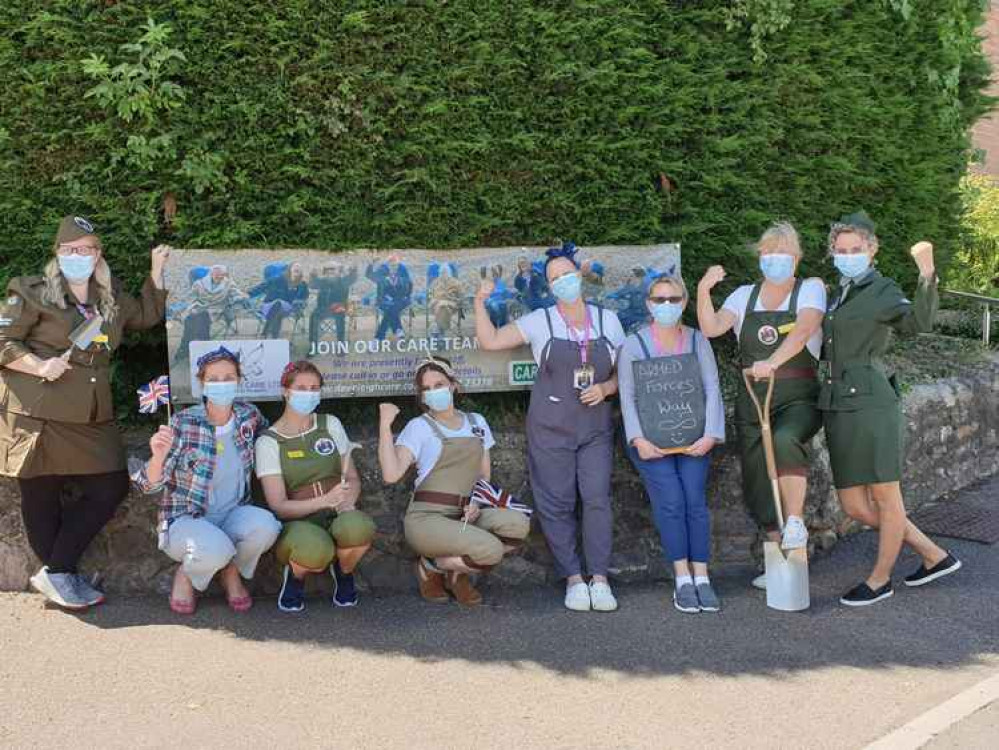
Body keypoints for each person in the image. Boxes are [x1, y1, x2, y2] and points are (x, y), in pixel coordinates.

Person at [0, 215, 169, 610]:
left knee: (110, 484)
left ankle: (54, 572)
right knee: (40, 492)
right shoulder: (30, 291)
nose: (79, 255)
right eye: (70, 249)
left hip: (91, 414)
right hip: (38, 409)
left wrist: (157, 272)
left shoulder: (109, 297)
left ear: (98, 255)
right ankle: (60, 573)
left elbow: (145, 315)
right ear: (57, 253)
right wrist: (39, 366)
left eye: (87, 249)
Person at [475, 241, 625, 613]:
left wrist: (607, 387)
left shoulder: (608, 320)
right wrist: (479, 302)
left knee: (596, 499)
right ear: (548, 285)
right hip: (550, 427)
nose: (563, 281)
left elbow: (628, 369)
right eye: (555, 277)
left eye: (567, 274)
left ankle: (600, 579)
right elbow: (491, 341)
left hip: (595, 427)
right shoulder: (539, 321)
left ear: (580, 276)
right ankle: (574, 578)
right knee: (555, 503)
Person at [820, 212, 961, 606]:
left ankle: (880, 579)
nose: (848, 255)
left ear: (872, 250)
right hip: (836, 402)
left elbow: (919, 323)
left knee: (885, 495)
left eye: (856, 249)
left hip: (871, 402)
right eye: (841, 250)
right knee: (852, 504)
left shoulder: (881, 289)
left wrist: (927, 273)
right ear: (833, 252)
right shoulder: (838, 291)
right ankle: (933, 554)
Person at [697, 222, 826, 590]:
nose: (775, 260)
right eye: (768, 253)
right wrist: (704, 289)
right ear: (760, 258)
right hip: (752, 396)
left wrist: (775, 361)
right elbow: (712, 328)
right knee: (756, 474)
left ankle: (796, 522)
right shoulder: (743, 296)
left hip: (797, 393)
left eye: (783, 253)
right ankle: (777, 557)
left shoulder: (810, 289)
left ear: (797, 258)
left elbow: (804, 329)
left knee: (786, 441)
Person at [134, 346, 281, 615]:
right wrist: (157, 457)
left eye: (228, 378)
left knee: (266, 527)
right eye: (213, 379)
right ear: (202, 383)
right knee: (216, 549)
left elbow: (270, 441)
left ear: (238, 380)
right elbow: (148, 485)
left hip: (233, 512)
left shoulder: (249, 416)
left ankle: (230, 571)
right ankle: (187, 574)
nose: (221, 384)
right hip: (187, 519)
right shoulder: (183, 422)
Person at [377, 356, 529, 606]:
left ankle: (455, 572)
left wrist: (476, 505)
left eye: (439, 384)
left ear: (453, 385)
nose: (433, 392)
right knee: (490, 550)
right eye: (426, 389)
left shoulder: (477, 422)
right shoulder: (419, 427)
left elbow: (483, 477)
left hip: (466, 513)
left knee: (518, 525)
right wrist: (385, 425)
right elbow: (391, 475)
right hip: (427, 518)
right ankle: (432, 566)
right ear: (422, 396)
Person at [618, 273, 725, 613]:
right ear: (649, 304)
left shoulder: (697, 341)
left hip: (696, 439)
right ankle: (681, 578)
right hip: (651, 443)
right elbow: (628, 396)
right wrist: (638, 438)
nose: (667, 305)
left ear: (684, 303)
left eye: (674, 299)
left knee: (694, 501)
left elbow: (711, 388)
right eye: (660, 299)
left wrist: (711, 434)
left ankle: (702, 576)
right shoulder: (635, 344)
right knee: (670, 502)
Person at [256, 360, 376, 612]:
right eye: (301, 387)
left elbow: (352, 478)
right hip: (299, 520)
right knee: (314, 549)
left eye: (314, 388)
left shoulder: (330, 424)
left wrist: (347, 505)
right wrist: (323, 501)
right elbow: (279, 506)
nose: (308, 394)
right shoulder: (268, 441)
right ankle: (296, 578)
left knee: (360, 527)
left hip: (336, 511)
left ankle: (344, 571)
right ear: (285, 391)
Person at [173, 264, 247, 363]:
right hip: (199, 308)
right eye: (216, 274)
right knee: (191, 319)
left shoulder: (229, 284)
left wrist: (241, 297)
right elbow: (190, 297)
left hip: (217, 310)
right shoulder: (200, 284)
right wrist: (188, 306)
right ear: (211, 274)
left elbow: (236, 294)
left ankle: (186, 348)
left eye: (221, 274)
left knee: (197, 319)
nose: (219, 276)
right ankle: (201, 347)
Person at [248, 262, 309, 339]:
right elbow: (263, 286)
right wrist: (249, 294)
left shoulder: (302, 285)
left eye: (299, 268)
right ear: (290, 269)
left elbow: (305, 297)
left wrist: (299, 304)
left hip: (288, 307)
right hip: (269, 306)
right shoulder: (278, 279)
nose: (297, 267)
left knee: (279, 304)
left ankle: (266, 331)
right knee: (278, 307)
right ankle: (274, 337)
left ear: (301, 272)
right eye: (295, 266)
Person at [308, 260, 357, 345]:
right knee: (313, 316)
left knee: (340, 317)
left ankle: (341, 345)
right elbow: (312, 284)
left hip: (338, 307)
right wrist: (313, 275)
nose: (330, 271)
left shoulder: (343, 281)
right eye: (327, 269)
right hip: (322, 308)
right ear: (325, 272)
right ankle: (313, 345)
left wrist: (353, 269)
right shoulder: (322, 281)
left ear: (339, 271)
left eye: (333, 269)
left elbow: (352, 277)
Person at [366, 253, 412, 341]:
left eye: (395, 265)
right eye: (391, 265)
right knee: (390, 308)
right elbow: (369, 275)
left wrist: (406, 294)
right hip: (384, 300)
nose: (393, 267)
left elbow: (409, 283)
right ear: (388, 265)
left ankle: (378, 338)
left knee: (389, 310)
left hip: (400, 300)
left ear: (398, 265)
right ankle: (398, 330)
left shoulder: (402, 269)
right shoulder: (383, 270)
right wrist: (372, 263)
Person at [428, 263, 464, 337]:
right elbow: (430, 294)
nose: (443, 274)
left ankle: (439, 330)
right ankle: (440, 330)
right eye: (441, 272)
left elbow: (461, 297)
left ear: (449, 273)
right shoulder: (435, 282)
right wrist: (433, 299)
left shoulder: (456, 283)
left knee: (442, 305)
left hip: (451, 304)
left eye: (445, 272)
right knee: (441, 305)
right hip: (436, 304)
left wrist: (450, 298)